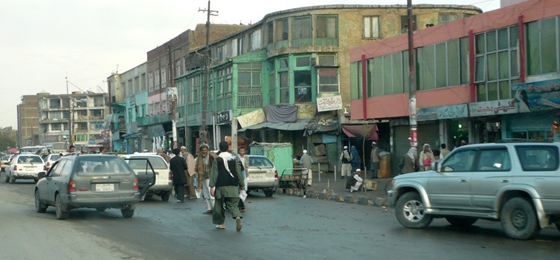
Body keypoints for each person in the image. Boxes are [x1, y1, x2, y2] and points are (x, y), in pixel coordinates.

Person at [210, 141, 244, 231]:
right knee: (233, 205)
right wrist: (241, 185)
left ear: (220, 148)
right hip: (233, 186)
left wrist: (211, 186)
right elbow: (238, 173)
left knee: (219, 206)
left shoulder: (217, 160)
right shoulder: (233, 160)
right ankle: (237, 217)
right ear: (228, 148)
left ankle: (221, 224)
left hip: (221, 187)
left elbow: (214, 174)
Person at [195, 143, 216, 215]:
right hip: (202, 177)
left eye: (205, 150)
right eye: (203, 150)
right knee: (206, 194)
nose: (204, 151)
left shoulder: (211, 156)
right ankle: (209, 208)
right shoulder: (199, 157)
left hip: (210, 176)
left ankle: (215, 209)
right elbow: (197, 166)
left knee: (211, 194)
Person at [237, 146, 248, 212]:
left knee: (244, 190)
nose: (242, 152)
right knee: (240, 190)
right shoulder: (237, 158)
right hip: (239, 175)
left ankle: (242, 204)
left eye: (243, 151)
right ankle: (241, 205)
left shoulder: (246, 158)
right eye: (241, 151)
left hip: (244, 176)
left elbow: (247, 166)